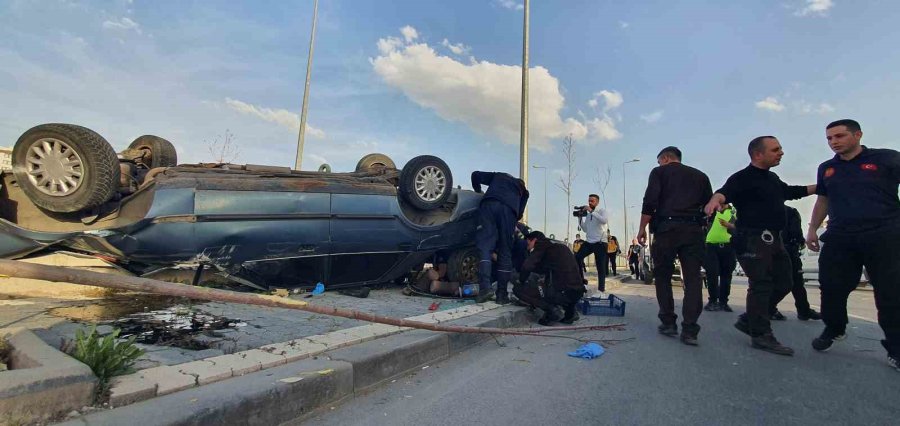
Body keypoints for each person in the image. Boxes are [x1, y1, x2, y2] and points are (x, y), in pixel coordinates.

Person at [704, 136, 815, 356]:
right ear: (758, 154)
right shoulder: (742, 178)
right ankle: (761, 334)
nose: (781, 153)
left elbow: (791, 192)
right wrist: (714, 200)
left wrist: (822, 187)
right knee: (761, 284)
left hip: (775, 239)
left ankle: (751, 318)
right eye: (775, 150)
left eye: (780, 148)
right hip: (752, 238)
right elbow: (723, 192)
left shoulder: (772, 178)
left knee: (785, 282)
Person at [805, 119, 899, 372]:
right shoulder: (827, 168)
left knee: (891, 293)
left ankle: (896, 348)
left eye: (839, 136)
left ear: (857, 135)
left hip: (884, 234)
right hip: (840, 235)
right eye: (829, 138)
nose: (833, 142)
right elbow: (823, 199)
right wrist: (813, 228)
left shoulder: (886, 158)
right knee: (831, 286)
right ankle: (834, 328)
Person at [637, 146, 712, 346]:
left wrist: (642, 228)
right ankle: (690, 330)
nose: (659, 164)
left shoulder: (659, 172)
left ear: (666, 158)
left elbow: (650, 202)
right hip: (693, 230)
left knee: (662, 276)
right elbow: (708, 208)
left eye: (659, 161)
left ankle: (668, 322)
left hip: (666, 229)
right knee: (693, 278)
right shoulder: (701, 176)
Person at [471, 171, 529, 305]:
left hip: (489, 205)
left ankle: (485, 288)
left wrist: (478, 191)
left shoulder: (499, 176)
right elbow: (519, 214)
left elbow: (475, 175)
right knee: (505, 251)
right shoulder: (524, 192)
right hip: (509, 211)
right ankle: (501, 295)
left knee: (485, 247)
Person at [516, 231, 586, 325]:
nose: (527, 245)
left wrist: (521, 280)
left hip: (562, 293)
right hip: (578, 291)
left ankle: (551, 310)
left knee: (518, 289)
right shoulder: (559, 247)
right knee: (562, 284)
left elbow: (527, 267)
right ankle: (570, 313)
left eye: (528, 242)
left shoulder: (541, 245)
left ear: (535, 240)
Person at [767, 205, 821, 321]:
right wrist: (800, 242)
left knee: (775, 282)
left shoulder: (765, 211)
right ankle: (802, 310)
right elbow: (796, 232)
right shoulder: (790, 212)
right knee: (795, 282)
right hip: (789, 251)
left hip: (770, 250)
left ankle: (769, 308)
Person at [703, 204, 737, 312]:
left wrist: (730, 225)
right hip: (711, 245)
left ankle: (723, 302)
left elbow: (740, 226)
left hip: (728, 246)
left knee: (726, 274)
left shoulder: (733, 212)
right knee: (712, 273)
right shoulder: (711, 212)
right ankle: (712, 300)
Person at [575, 194, 609, 292]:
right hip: (589, 242)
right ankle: (581, 281)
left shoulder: (601, 211)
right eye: (589, 201)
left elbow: (604, 220)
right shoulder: (589, 214)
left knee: (600, 268)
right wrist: (580, 218)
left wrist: (590, 211)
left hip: (600, 243)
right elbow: (585, 229)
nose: (590, 202)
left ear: (597, 202)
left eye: (592, 201)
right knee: (576, 257)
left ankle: (601, 290)